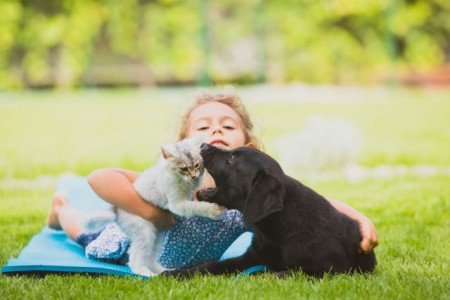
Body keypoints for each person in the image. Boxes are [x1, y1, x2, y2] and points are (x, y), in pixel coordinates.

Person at [47, 88, 379, 269]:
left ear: (248, 147)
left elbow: (309, 204)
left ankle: (65, 212)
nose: (216, 130)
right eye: (203, 127)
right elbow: (99, 179)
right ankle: (61, 210)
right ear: (184, 142)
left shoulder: (251, 195)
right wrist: (151, 213)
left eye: (228, 125)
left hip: (187, 262)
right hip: (135, 241)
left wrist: (360, 219)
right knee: (89, 238)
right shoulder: (175, 179)